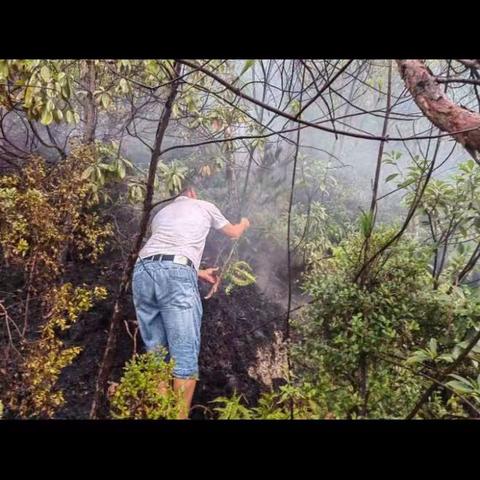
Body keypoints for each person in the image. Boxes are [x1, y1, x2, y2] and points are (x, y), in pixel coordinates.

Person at [132, 183, 250, 419]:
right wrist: (245, 222)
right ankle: (179, 416)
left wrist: (198, 272)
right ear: (193, 193)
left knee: (156, 354)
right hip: (176, 275)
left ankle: (164, 413)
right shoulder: (204, 206)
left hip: (142, 272)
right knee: (184, 351)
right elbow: (234, 233)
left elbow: (162, 254)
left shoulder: (160, 214)